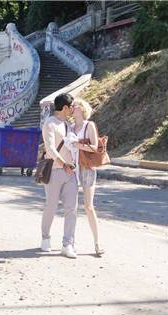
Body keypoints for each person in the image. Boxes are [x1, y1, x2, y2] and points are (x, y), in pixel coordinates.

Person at [41, 93, 78, 259]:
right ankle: (45, 237)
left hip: (70, 172)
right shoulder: (50, 123)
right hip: (55, 170)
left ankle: (67, 244)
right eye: (71, 107)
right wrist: (64, 164)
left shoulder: (69, 126)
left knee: (72, 208)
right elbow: (50, 149)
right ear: (64, 107)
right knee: (51, 206)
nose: (72, 110)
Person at [70, 98, 105, 257]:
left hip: (87, 168)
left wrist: (78, 145)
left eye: (74, 105)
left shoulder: (88, 125)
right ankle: (70, 243)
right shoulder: (70, 127)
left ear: (82, 108)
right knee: (72, 207)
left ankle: (97, 243)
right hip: (72, 169)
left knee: (88, 206)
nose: (72, 108)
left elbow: (95, 147)